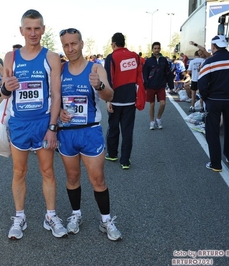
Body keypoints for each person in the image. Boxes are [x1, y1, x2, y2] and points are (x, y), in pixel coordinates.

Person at [0, 9, 66, 240]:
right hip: (19, 124)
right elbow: (3, 92)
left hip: (42, 123)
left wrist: (52, 127)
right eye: (28, 28)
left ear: (43, 30)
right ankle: (19, 217)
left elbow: (56, 95)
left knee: (47, 171)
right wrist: (6, 87)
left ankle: (51, 216)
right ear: (21, 31)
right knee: (19, 171)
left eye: (37, 28)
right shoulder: (11, 57)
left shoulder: (51, 57)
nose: (33, 33)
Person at [58, 28, 122, 241]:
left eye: (74, 44)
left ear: (82, 43)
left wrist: (100, 85)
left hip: (90, 132)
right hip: (67, 133)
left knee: (98, 179)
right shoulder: (59, 69)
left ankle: (106, 220)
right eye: (66, 45)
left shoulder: (95, 68)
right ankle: (76, 215)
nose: (70, 49)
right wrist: (58, 111)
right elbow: (52, 99)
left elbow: (109, 94)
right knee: (72, 177)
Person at [198, 35, 229, 172]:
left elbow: (202, 85)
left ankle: (216, 164)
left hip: (214, 101)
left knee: (212, 131)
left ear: (213, 47)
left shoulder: (209, 62)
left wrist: (206, 98)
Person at [104, 32, 145, 170]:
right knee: (127, 131)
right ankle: (125, 160)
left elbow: (108, 79)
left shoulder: (111, 57)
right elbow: (140, 77)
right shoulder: (135, 56)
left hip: (115, 100)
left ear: (114, 44)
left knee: (113, 128)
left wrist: (108, 100)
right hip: (130, 100)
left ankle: (112, 154)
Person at [143, 42, 174, 130]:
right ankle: (152, 121)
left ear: (160, 49)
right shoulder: (148, 61)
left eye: (158, 48)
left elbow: (168, 73)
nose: (156, 50)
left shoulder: (164, 60)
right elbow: (145, 74)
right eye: (155, 48)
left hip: (161, 85)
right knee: (152, 104)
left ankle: (158, 118)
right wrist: (145, 85)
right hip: (151, 86)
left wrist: (171, 85)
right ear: (152, 50)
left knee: (163, 103)